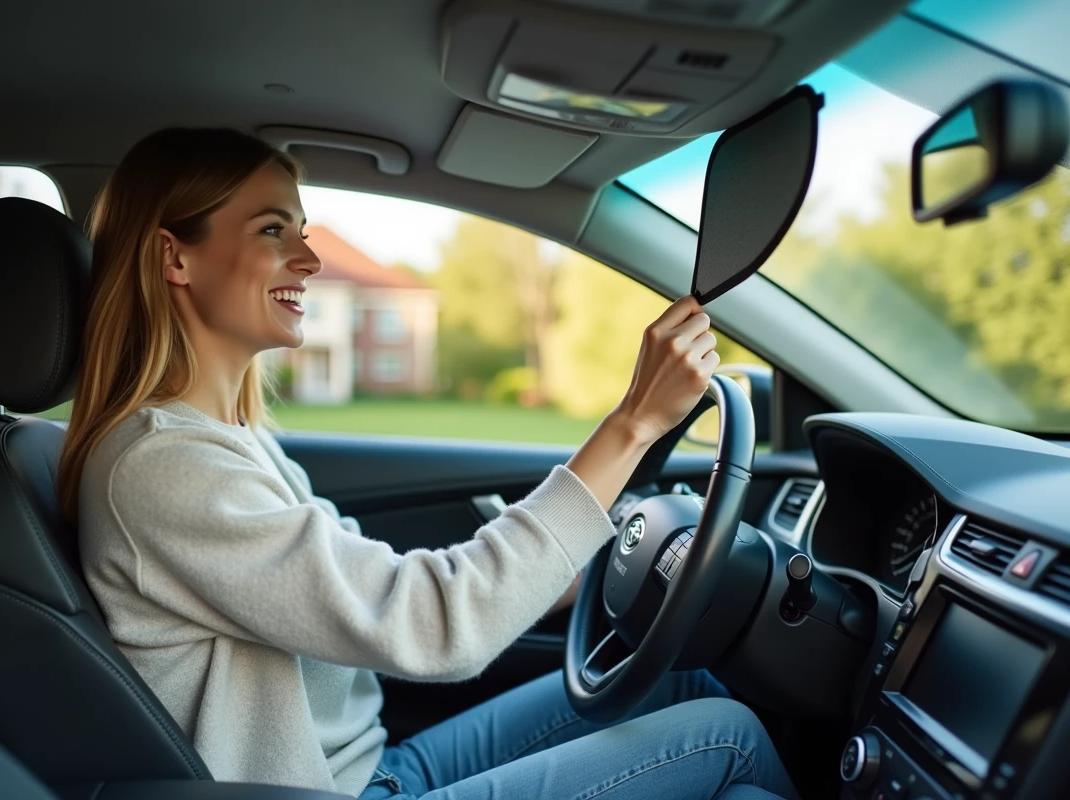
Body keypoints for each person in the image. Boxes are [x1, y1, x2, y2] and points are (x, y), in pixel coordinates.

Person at [65, 128, 797, 800]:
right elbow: (432, 625)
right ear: (175, 257)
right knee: (729, 741)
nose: (311, 259)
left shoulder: (229, 438)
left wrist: (564, 577)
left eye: (303, 231)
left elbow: (371, 583)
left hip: (374, 767)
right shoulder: (163, 465)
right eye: (271, 230)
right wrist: (633, 424)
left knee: (683, 683)